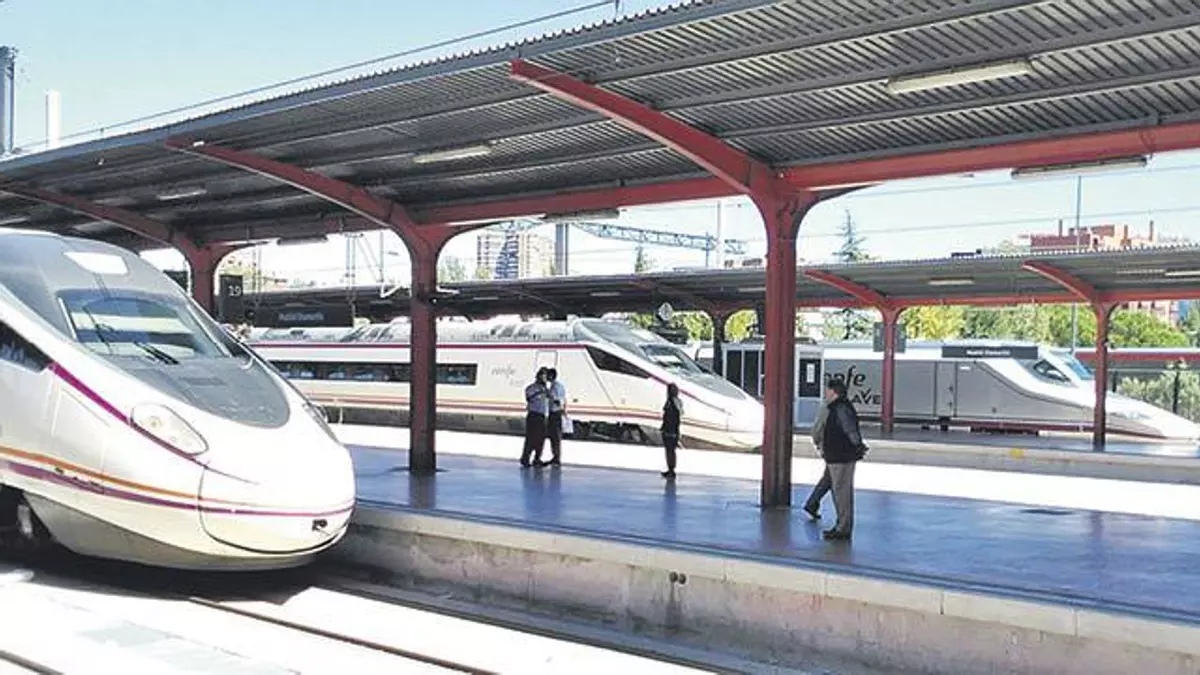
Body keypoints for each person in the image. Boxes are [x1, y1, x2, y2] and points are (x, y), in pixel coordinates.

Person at [818, 379, 867, 541]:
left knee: (842, 493)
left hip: (841, 456)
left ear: (834, 392)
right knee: (839, 492)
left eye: (827, 390)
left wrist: (858, 446)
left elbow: (850, 430)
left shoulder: (840, 408)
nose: (825, 393)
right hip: (837, 456)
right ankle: (841, 524)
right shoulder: (838, 407)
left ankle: (843, 527)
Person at [802, 397, 831, 521]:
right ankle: (812, 503)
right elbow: (817, 429)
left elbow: (817, 428)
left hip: (830, 448)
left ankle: (812, 503)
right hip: (832, 449)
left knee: (829, 478)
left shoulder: (829, 406)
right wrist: (819, 443)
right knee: (831, 478)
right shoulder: (830, 407)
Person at [520, 368, 550, 467]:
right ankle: (525, 458)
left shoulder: (546, 389)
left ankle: (537, 459)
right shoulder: (531, 388)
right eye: (543, 376)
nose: (545, 379)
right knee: (531, 438)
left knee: (541, 438)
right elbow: (529, 397)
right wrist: (540, 392)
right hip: (533, 415)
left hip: (542, 416)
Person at [660, 383, 683, 479]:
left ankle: (671, 470)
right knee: (669, 451)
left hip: (670, 430)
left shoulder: (672, 402)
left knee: (670, 451)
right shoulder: (675, 402)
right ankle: (670, 469)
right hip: (670, 429)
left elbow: (673, 417)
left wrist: (670, 430)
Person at [544, 368, 566, 466]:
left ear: (551, 376)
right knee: (554, 436)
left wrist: (549, 396)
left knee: (555, 436)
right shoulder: (558, 385)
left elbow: (558, 400)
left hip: (555, 413)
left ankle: (556, 457)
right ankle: (555, 456)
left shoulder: (556, 387)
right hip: (556, 413)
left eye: (548, 375)